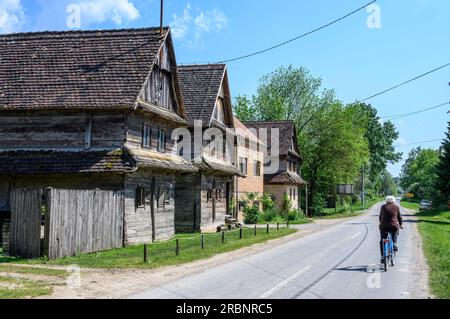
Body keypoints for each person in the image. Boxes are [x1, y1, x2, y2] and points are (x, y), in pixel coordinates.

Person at [379, 196, 403, 263]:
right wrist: (401, 225)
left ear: (386, 201)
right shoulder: (396, 207)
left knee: (382, 241)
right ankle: (394, 243)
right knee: (394, 234)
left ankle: (382, 257)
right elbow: (399, 217)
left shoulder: (383, 207)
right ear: (394, 201)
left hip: (384, 227)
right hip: (393, 226)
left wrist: (380, 223)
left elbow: (380, 216)